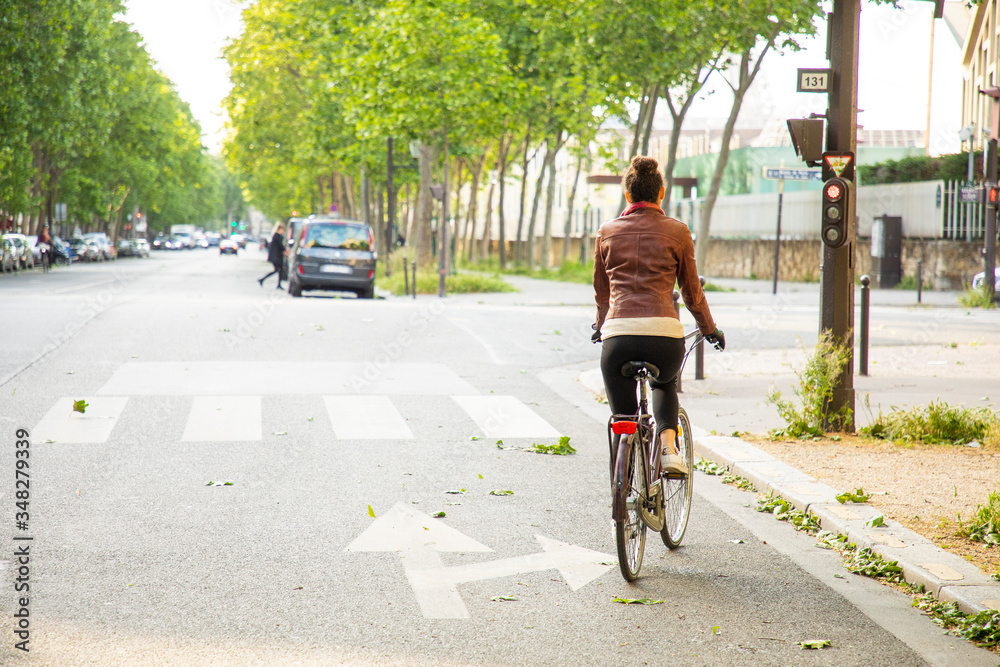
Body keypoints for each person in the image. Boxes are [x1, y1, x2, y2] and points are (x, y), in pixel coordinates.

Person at [593, 156, 725, 476]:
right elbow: (692, 293)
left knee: (623, 417)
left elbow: (602, 293)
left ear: (628, 196)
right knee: (664, 384)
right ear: (661, 193)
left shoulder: (606, 232)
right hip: (664, 335)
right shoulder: (678, 232)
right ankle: (668, 447)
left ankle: (623, 475)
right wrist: (710, 329)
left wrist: (600, 326)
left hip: (619, 335)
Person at [258, 224, 286, 289]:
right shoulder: (277, 236)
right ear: (279, 229)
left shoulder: (277, 236)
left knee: (280, 270)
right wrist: (284, 250)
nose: (283, 232)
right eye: (283, 230)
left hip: (277, 256)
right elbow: (280, 246)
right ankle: (262, 279)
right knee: (277, 270)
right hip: (276, 257)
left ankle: (278, 284)